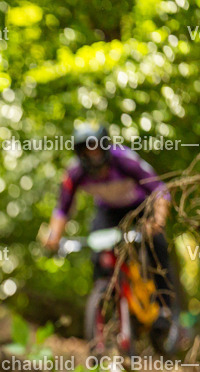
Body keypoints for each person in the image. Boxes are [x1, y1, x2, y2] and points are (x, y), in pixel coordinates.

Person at [42, 123, 177, 345]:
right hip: (108, 212)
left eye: (95, 148)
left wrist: (157, 221)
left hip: (140, 207)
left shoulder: (124, 160)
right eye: (86, 149)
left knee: (157, 245)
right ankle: (108, 302)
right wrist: (53, 236)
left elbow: (159, 190)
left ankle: (165, 307)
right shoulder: (75, 173)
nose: (92, 154)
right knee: (99, 254)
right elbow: (62, 209)